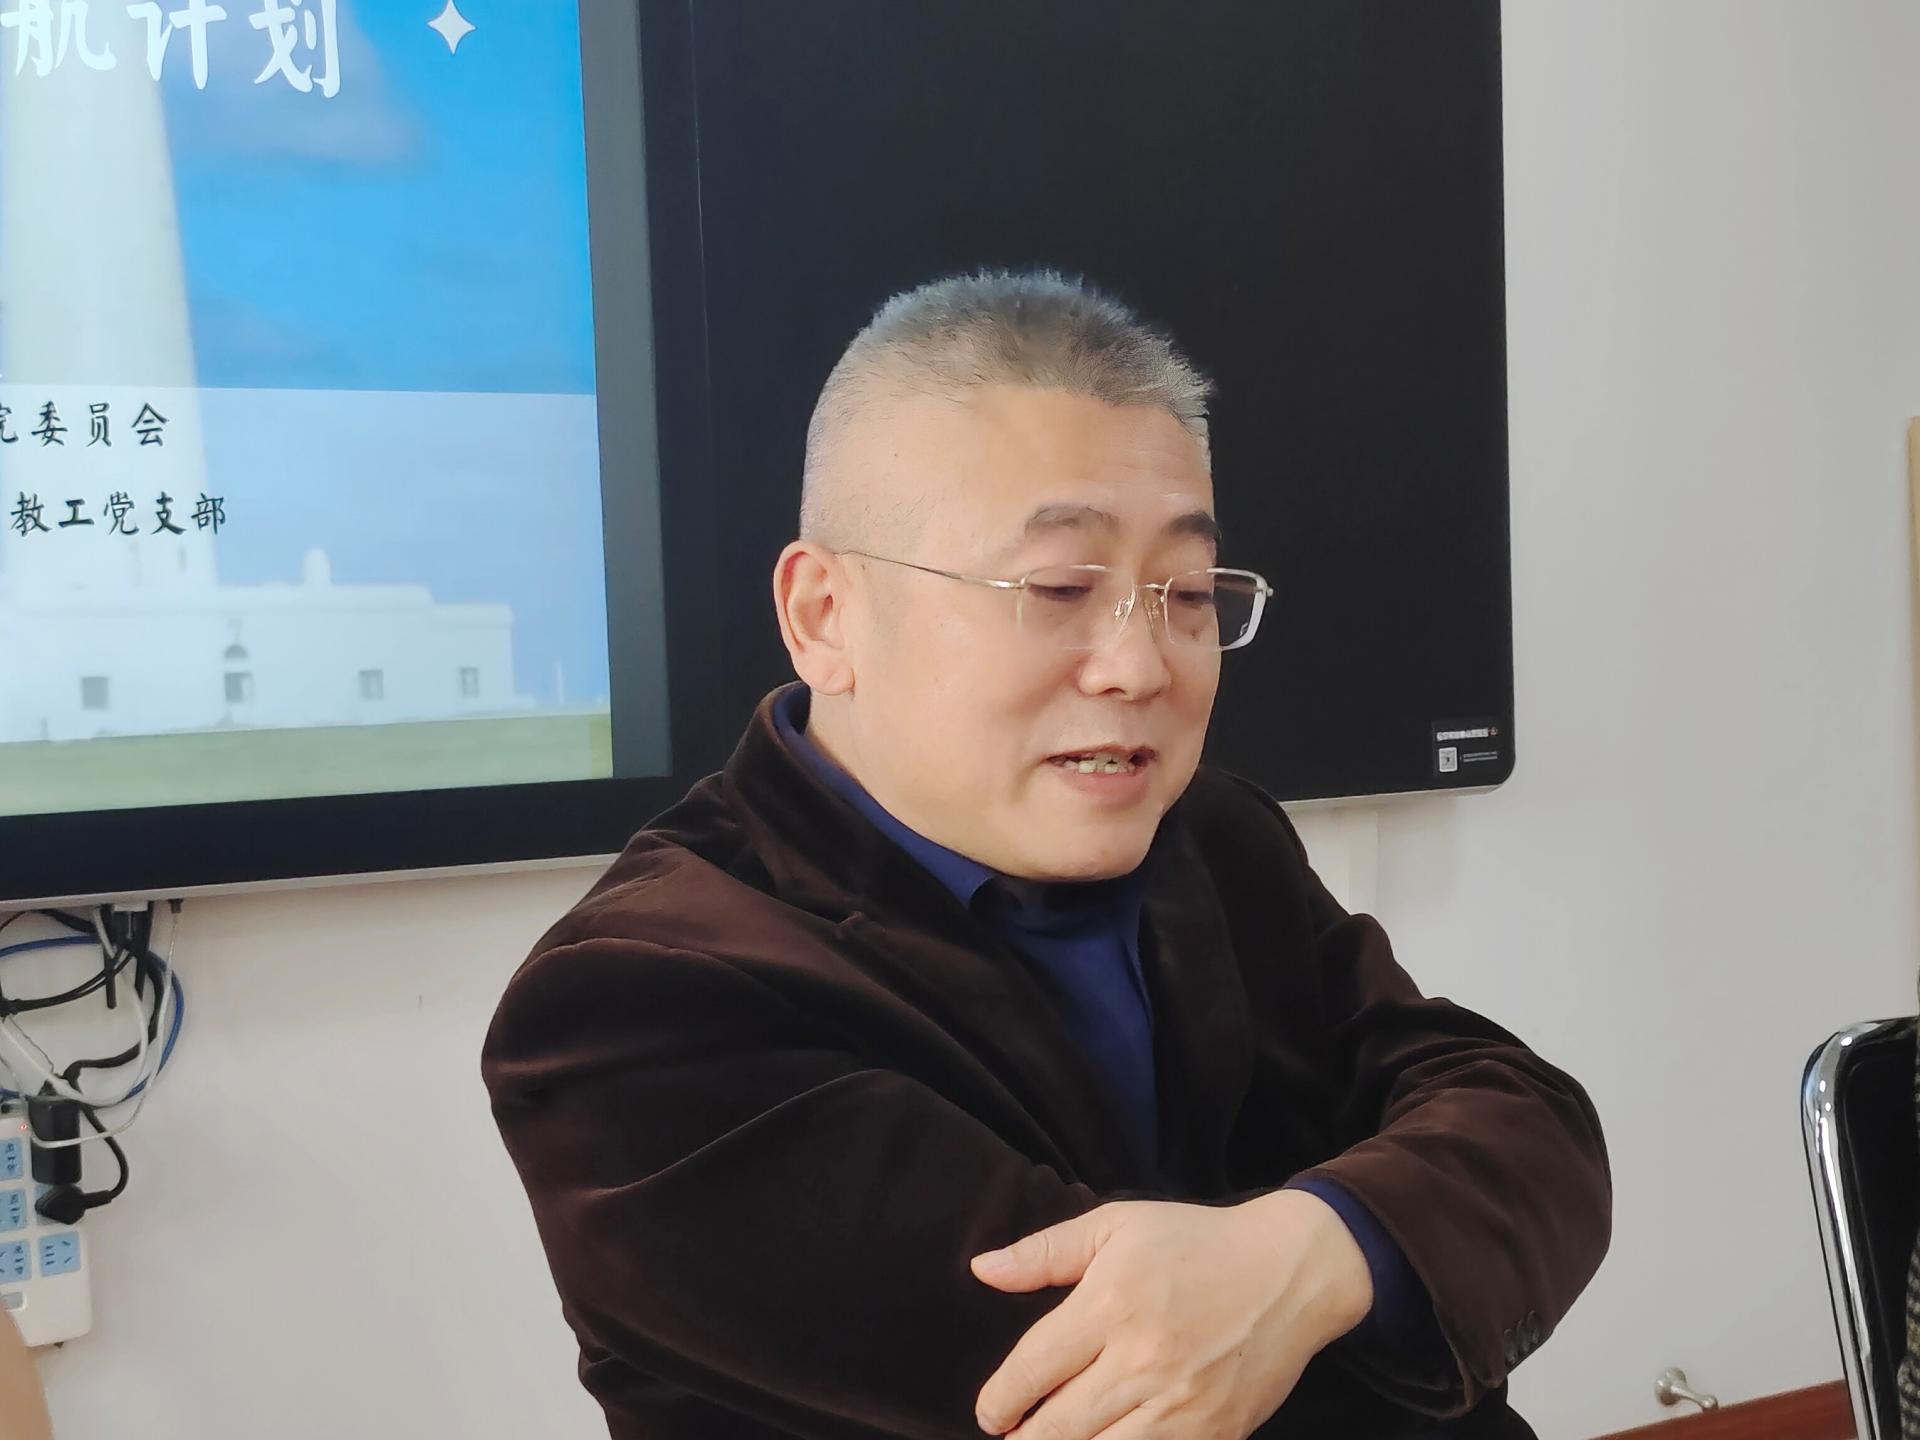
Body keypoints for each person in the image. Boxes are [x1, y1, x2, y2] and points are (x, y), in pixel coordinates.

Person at [482, 270, 1611, 1439]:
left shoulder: (1215, 837)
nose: (1141, 667)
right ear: (824, 614)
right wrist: (1397, 1253)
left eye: (1185, 593)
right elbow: (1132, 1392)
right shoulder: (634, 1001)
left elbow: (1532, 1130)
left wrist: (1314, 1252)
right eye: (1060, 587)